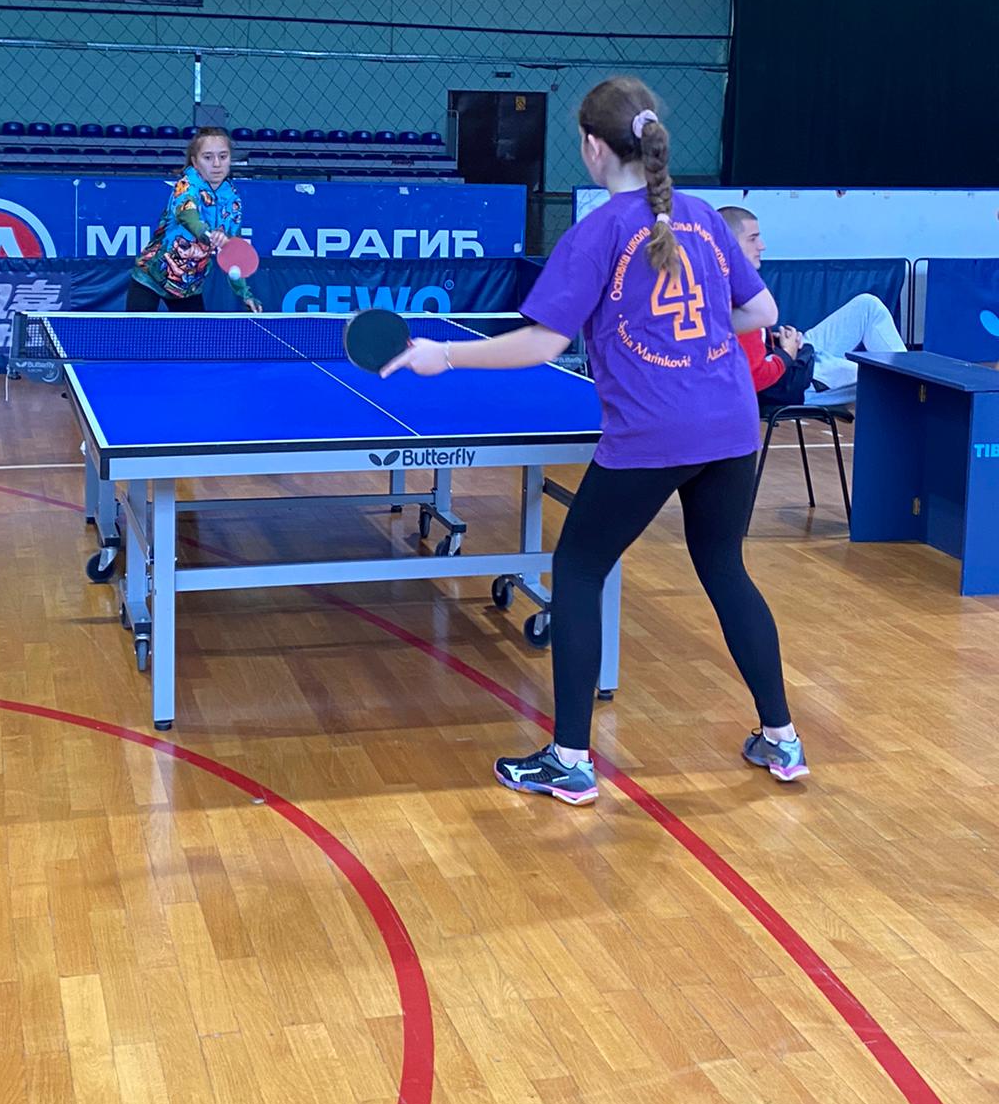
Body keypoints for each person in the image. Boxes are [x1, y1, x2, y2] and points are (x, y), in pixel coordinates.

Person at [382, 77, 808, 802]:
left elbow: (542, 343)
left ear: (590, 146)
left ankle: (571, 760)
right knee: (724, 568)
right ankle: (783, 739)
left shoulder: (598, 232)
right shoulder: (703, 217)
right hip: (732, 426)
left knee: (578, 568)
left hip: (654, 429)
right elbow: (762, 310)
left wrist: (443, 354)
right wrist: (693, 334)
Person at [718, 205, 905, 401]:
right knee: (890, 378)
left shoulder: (731, 282)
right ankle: (914, 391)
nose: (762, 246)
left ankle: (911, 381)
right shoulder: (732, 295)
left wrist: (778, 342)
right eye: (753, 239)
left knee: (867, 306)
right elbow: (755, 379)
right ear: (730, 244)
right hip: (796, 380)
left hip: (797, 358)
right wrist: (786, 354)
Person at [125, 127, 262, 314]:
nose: (216, 164)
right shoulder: (186, 186)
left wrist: (245, 294)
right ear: (195, 162)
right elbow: (188, 217)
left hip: (188, 289)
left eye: (223, 156)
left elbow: (233, 254)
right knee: (136, 332)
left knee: (196, 334)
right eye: (208, 157)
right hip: (150, 278)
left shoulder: (233, 202)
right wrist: (207, 235)